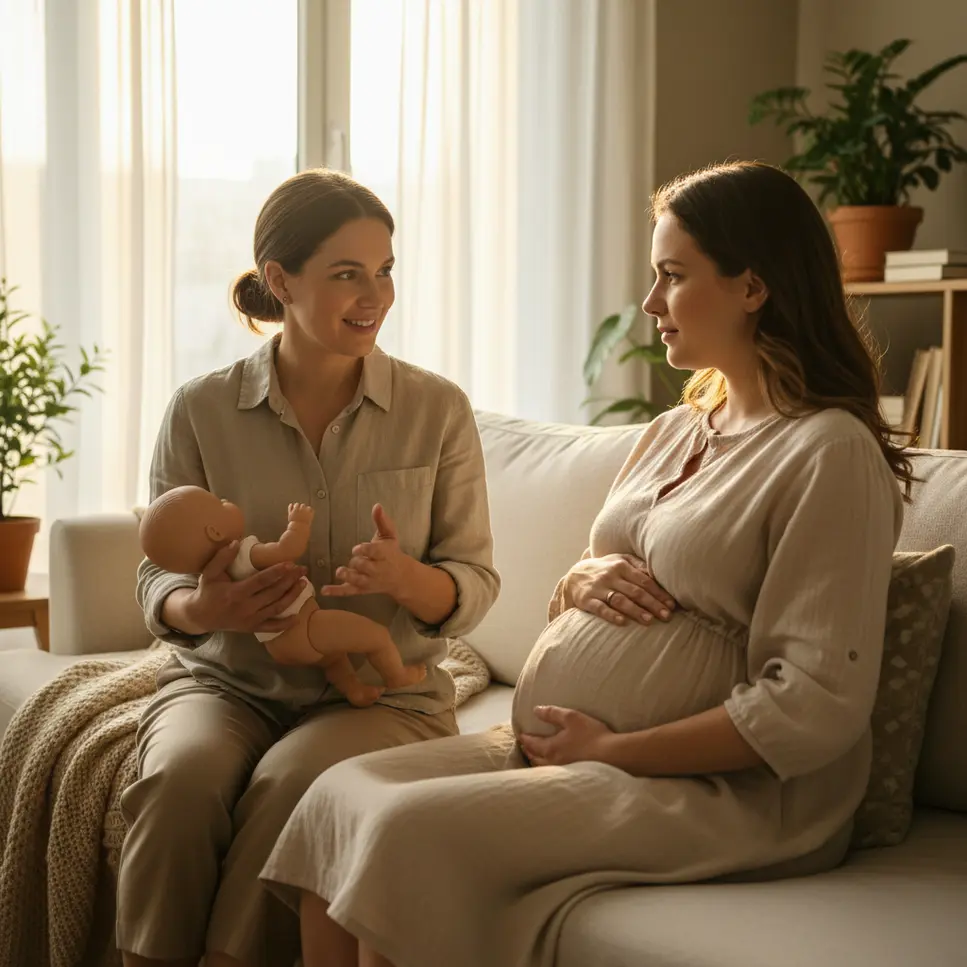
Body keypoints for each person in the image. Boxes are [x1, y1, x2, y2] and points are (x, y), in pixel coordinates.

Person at [259, 160, 916, 967]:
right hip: (570, 746)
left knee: (402, 832)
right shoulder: (677, 429)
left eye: (672, 275)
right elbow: (583, 584)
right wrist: (578, 581)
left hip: (721, 789)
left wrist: (612, 751)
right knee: (333, 800)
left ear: (752, 287)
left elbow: (813, 705)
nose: (649, 303)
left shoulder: (827, 452)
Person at [117, 168, 500, 967]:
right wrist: (203, 610)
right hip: (225, 682)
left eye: (384, 270)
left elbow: (472, 580)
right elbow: (157, 575)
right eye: (347, 273)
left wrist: (404, 579)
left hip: (382, 693)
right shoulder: (200, 409)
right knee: (179, 780)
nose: (375, 295)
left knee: (291, 781)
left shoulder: (437, 409)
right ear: (280, 280)